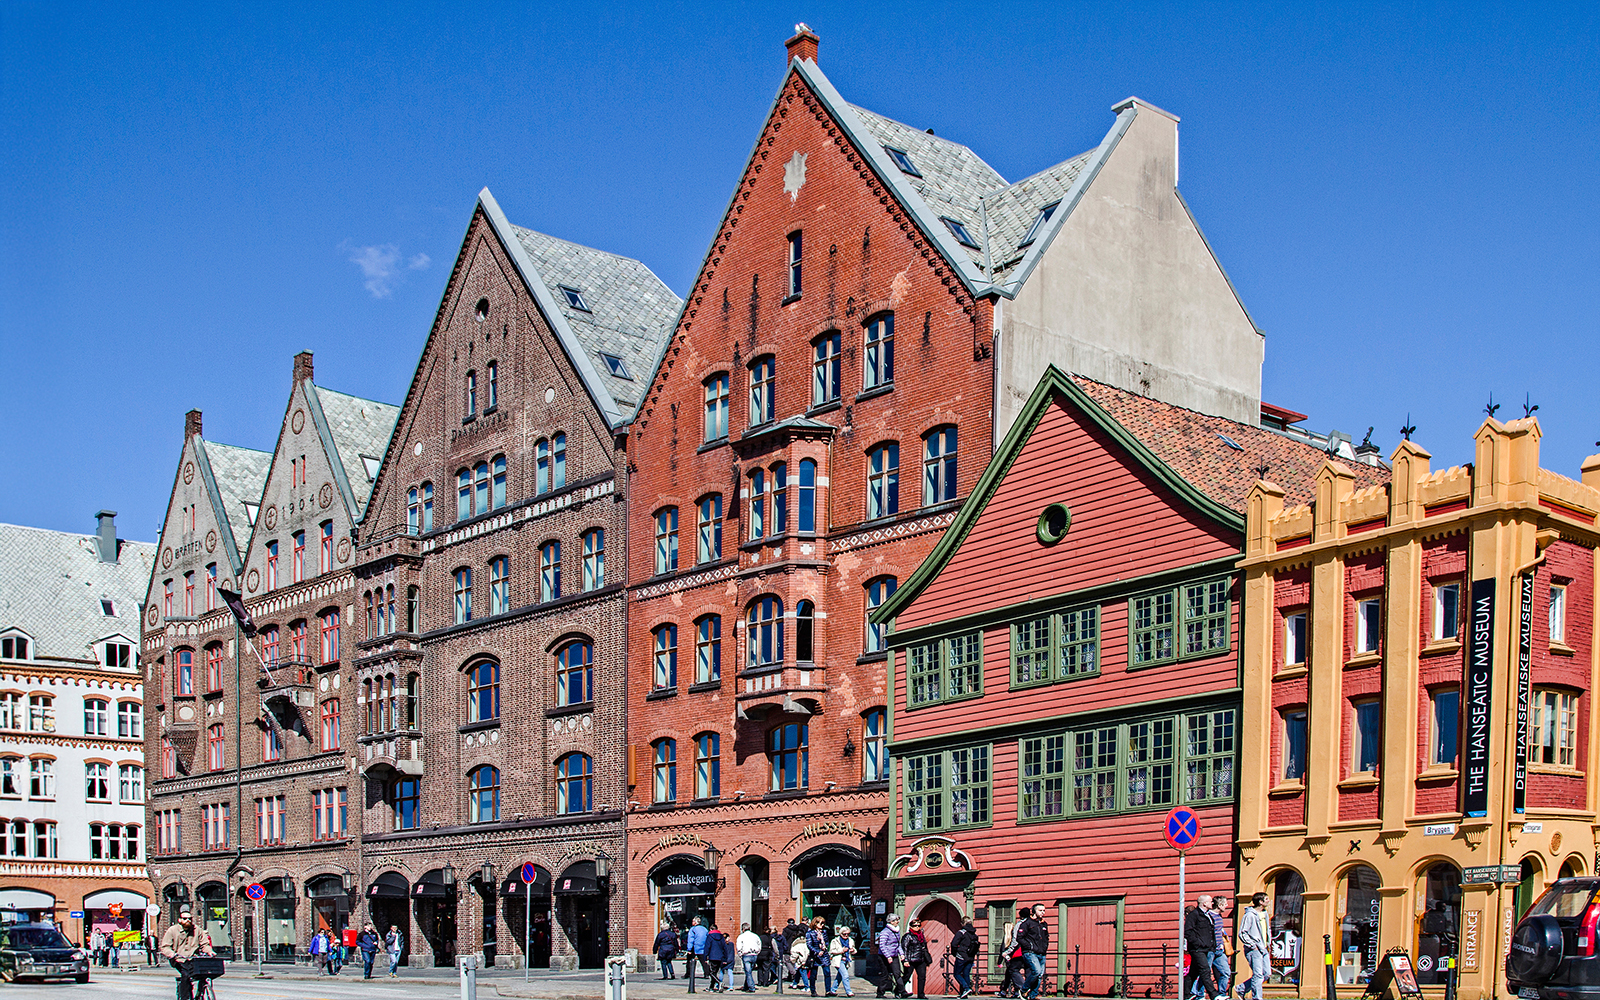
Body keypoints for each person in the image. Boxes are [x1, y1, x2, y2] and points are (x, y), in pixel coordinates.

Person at [160, 907, 214, 1000]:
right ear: (179, 920)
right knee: (185, 975)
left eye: (189, 919)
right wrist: (171, 954)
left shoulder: (197, 930)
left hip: (193, 959)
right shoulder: (172, 930)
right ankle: (185, 997)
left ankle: (201, 991)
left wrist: (209, 951)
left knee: (205, 973)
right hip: (179, 959)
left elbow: (204, 944)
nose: (187, 920)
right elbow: (165, 947)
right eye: (185, 919)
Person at [1185, 895, 1221, 1000]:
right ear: (1204, 903)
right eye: (1210, 901)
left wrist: (1212, 945)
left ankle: (1186, 994)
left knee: (1193, 973)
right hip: (1197, 949)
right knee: (1205, 970)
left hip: (1206, 948)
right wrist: (1198, 943)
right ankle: (1214, 995)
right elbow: (1188, 932)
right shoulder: (1194, 915)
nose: (1212, 903)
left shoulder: (1207, 915)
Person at [1236, 893, 1270, 1000]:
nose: (1269, 901)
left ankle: (1241, 988)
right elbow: (1242, 933)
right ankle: (1257, 998)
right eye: (1266, 899)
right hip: (1254, 949)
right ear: (1260, 902)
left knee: (1267, 974)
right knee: (1258, 975)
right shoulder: (1250, 915)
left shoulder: (1265, 914)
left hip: (1264, 948)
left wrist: (1268, 943)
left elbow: (1267, 931)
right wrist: (1252, 945)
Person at [1016, 907, 1049, 1000]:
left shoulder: (1044, 924)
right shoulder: (1027, 923)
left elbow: (1046, 937)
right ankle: (1023, 990)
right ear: (1034, 911)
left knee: (1040, 975)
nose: (1043, 912)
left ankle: (1033, 995)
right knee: (1036, 971)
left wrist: (1045, 947)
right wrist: (1029, 946)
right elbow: (1019, 937)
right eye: (1040, 910)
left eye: (1044, 910)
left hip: (1041, 953)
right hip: (1030, 952)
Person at [874, 915, 905, 999]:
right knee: (885, 974)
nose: (898, 921)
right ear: (891, 922)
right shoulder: (885, 932)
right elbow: (882, 945)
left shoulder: (896, 931)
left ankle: (902, 991)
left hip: (894, 955)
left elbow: (897, 944)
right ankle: (880, 993)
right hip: (884, 956)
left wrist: (901, 954)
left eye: (898, 920)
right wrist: (888, 956)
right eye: (896, 920)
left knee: (897, 973)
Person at [1207, 898, 1233, 996]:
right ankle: (1197, 994)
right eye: (1225, 904)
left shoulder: (1219, 916)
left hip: (1219, 950)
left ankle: (1221, 994)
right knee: (1205, 974)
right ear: (1219, 905)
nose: (1227, 906)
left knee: (1226, 972)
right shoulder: (1209, 915)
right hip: (1210, 949)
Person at [949, 919, 979, 999]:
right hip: (971, 957)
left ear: (962, 923)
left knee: (957, 974)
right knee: (966, 974)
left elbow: (954, 944)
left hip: (962, 956)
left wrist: (955, 953)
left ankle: (966, 988)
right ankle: (964, 994)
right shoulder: (974, 934)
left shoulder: (961, 933)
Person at [901, 920, 930, 1000]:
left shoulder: (921, 936)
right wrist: (905, 960)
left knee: (922, 977)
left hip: (921, 960)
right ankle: (898, 990)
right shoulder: (907, 936)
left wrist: (927, 959)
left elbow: (925, 947)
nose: (917, 927)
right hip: (911, 960)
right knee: (906, 976)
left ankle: (921, 994)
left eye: (918, 925)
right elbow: (905, 948)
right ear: (911, 927)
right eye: (915, 925)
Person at [805, 917, 832, 997]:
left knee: (827, 972)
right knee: (813, 974)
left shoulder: (824, 932)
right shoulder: (810, 933)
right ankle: (813, 990)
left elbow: (827, 942)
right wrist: (817, 951)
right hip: (815, 956)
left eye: (823, 923)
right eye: (820, 923)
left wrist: (824, 948)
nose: (822, 925)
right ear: (815, 924)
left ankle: (828, 990)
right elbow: (809, 945)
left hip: (824, 955)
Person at [829, 925, 856, 997]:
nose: (846, 935)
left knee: (840, 976)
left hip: (846, 960)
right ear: (840, 934)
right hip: (839, 960)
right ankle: (849, 992)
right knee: (845, 975)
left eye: (848, 934)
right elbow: (831, 951)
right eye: (844, 934)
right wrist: (841, 951)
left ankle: (832, 990)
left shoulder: (850, 940)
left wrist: (852, 950)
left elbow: (854, 949)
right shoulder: (835, 941)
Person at [736, 922, 764, 992]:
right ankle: (746, 986)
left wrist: (740, 954)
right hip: (754, 955)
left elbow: (739, 946)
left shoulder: (741, 936)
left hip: (746, 955)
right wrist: (757, 952)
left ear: (743, 929)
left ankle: (751, 987)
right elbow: (759, 944)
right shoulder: (755, 936)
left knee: (748, 972)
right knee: (749, 971)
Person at [686, 915, 709, 993]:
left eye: (693, 921)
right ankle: (707, 973)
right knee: (703, 961)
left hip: (695, 947)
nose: (692, 922)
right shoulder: (705, 929)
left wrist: (689, 949)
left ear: (695, 922)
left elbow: (690, 939)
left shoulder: (693, 929)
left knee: (689, 960)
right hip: (703, 947)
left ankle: (689, 973)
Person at [706, 925, 731, 993]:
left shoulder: (710, 936)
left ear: (711, 929)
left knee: (711, 972)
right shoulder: (721, 937)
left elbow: (707, 946)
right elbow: (724, 948)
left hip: (712, 956)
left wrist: (705, 956)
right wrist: (725, 958)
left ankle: (719, 982)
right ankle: (711, 987)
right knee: (714, 972)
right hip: (720, 957)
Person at [790, 928, 812, 993]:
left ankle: (806, 987)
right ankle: (795, 983)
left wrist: (793, 960)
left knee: (803, 973)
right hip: (807, 959)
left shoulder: (796, 944)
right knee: (799, 972)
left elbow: (794, 954)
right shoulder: (807, 942)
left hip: (801, 960)